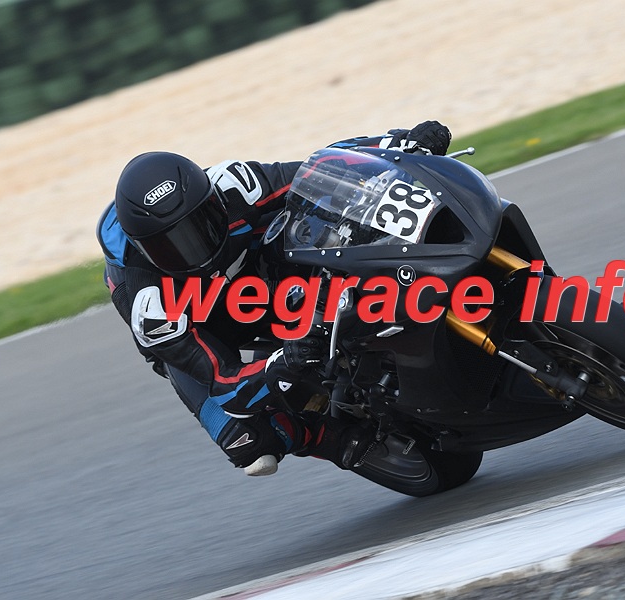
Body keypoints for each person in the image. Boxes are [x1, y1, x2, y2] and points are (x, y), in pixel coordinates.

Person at [96, 121, 452, 476]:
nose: (195, 250)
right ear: (144, 251)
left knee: (323, 213)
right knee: (250, 443)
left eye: (201, 224)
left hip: (253, 268)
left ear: (212, 201)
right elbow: (224, 381)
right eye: (170, 246)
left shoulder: (234, 186)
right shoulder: (149, 305)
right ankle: (333, 439)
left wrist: (397, 142)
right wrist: (280, 363)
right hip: (204, 323)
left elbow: (320, 168)